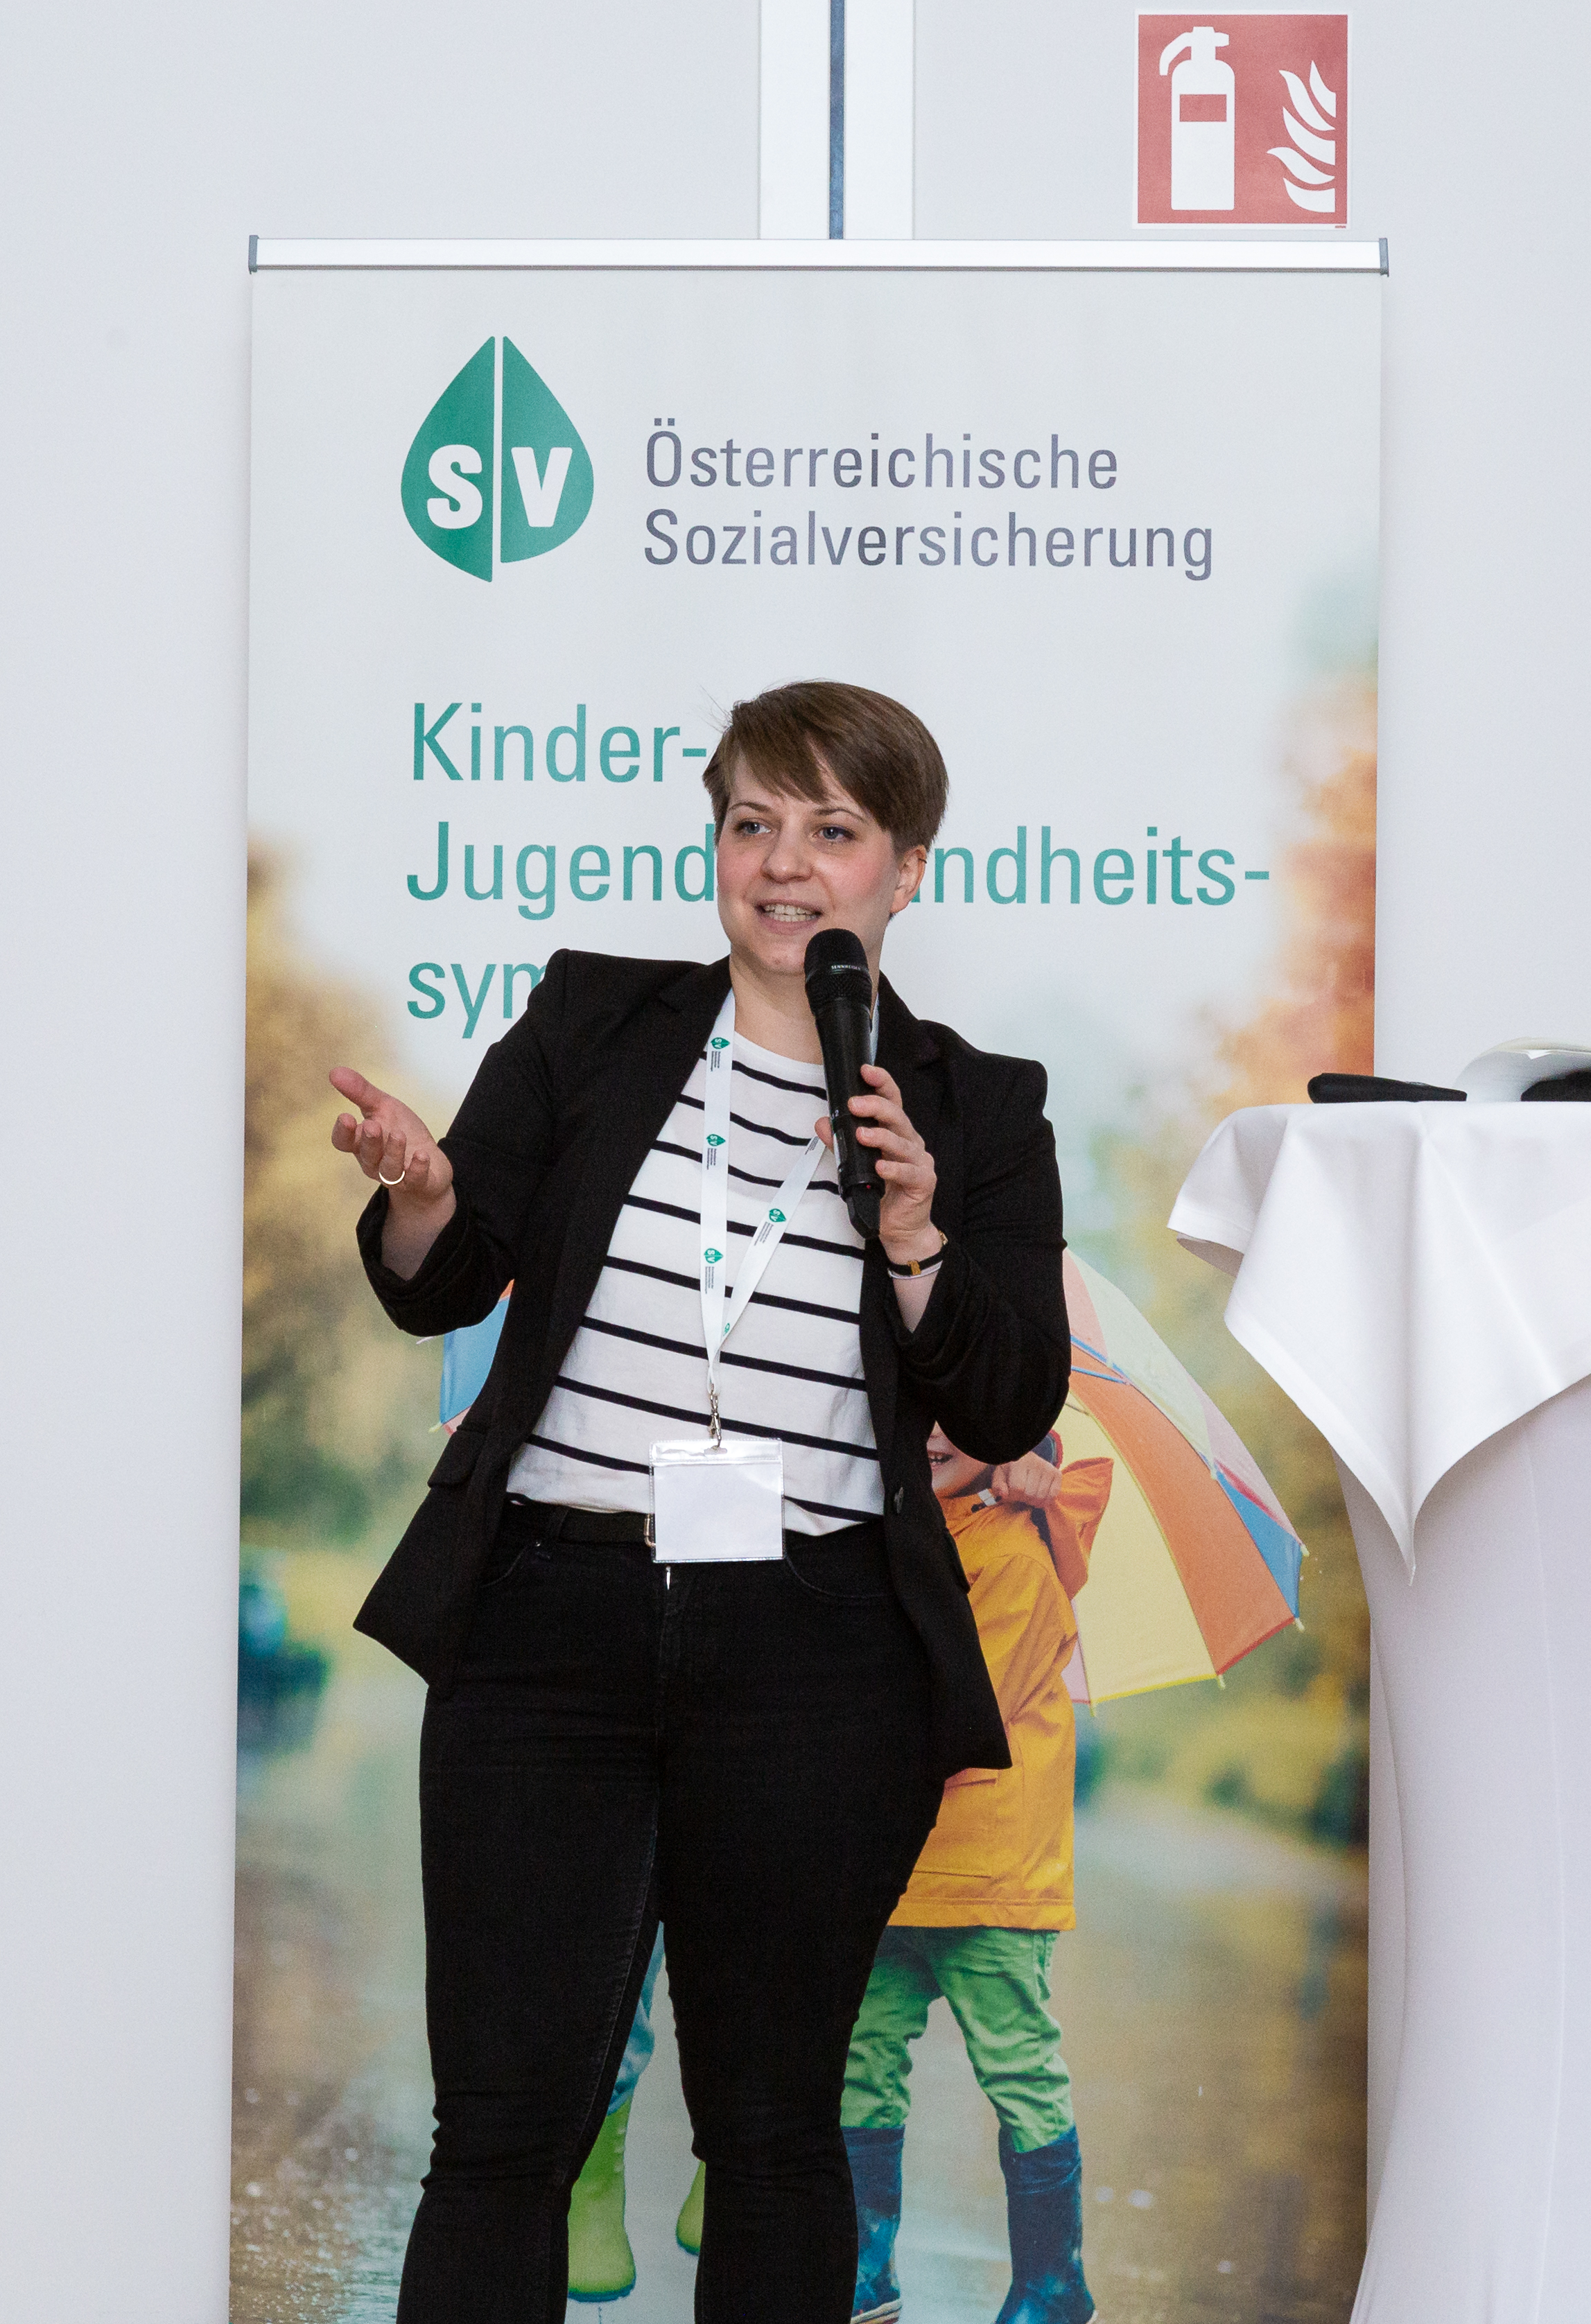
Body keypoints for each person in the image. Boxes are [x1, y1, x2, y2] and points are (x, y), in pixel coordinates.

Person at [328, 678, 1068, 2324]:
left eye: (832, 829)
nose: (782, 863)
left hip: (819, 1655)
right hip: (548, 1621)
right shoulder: (592, 1019)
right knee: (501, 2128)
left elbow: (1008, 1400)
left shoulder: (975, 1105)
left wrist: (913, 1237)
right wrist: (424, 1195)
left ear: (906, 868)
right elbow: (440, 1276)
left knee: (773, 2131)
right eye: (750, 822)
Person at [840, 1425, 1111, 2324]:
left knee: (1016, 2063)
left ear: (1005, 1432)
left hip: (989, 1870)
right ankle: (863, 2265)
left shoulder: (1017, 1556)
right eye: (917, 1404)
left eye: (958, 1413)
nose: (930, 1432)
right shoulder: (891, 1531)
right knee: (861, 2056)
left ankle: (1051, 2281)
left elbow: (968, 1718)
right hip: (891, 1865)